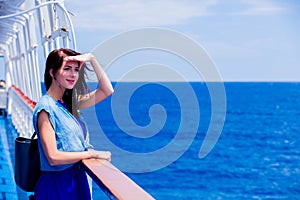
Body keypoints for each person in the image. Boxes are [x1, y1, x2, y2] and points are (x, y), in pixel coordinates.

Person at [32, 48, 114, 200]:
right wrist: (92, 153)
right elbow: (52, 157)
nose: (73, 74)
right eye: (67, 69)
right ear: (52, 72)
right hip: (57, 186)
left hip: (76, 181)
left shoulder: (68, 104)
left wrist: (92, 59)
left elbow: (107, 90)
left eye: (76, 70)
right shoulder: (46, 108)